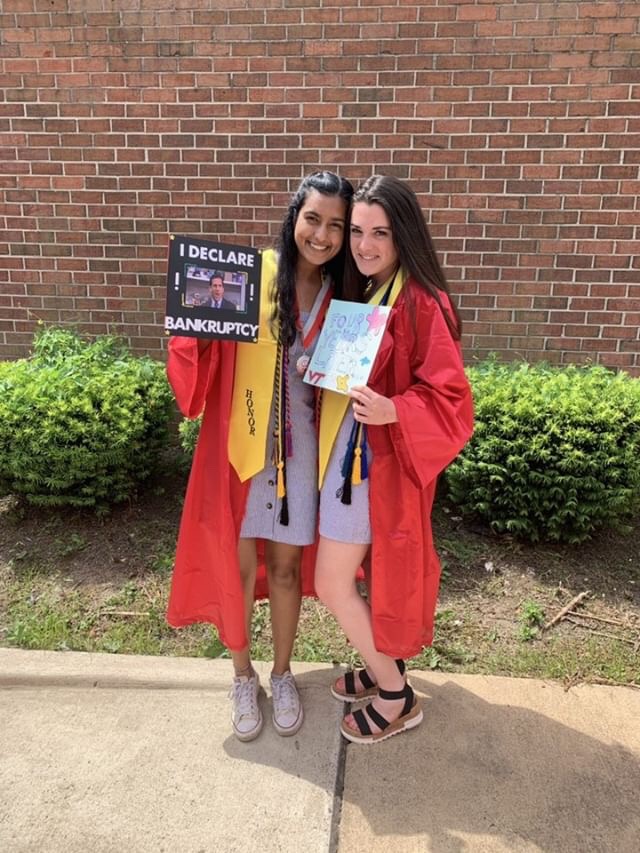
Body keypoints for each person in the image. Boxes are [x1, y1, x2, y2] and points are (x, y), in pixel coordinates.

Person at [166, 171, 354, 741]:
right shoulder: (252, 277)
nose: (321, 234)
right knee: (241, 565)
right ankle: (243, 675)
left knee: (287, 567)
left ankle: (282, 671)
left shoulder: (342, 298)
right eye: (313, 218)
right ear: (294, 216)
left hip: (300, 452)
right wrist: (194, 327)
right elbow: (194, 344)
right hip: (241, 445)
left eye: (336, 226)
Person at [314, 175, 474, 744]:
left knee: (331, 581)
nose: (364, 245)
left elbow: (452, 400)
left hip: (378, 466)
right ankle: (387, 663)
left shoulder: (421, 301)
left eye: (379, 233)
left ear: (404, 235)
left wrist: (394, 410)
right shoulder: (369, 291)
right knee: (361, 576)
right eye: (357, 231)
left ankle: (395, 695)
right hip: (350, 459)